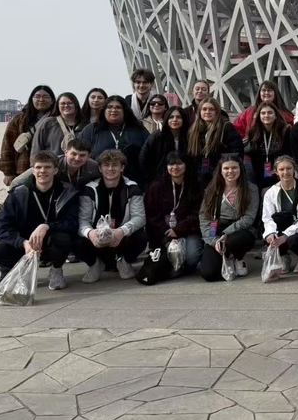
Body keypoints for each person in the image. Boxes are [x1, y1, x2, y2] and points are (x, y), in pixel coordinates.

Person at [0, 150, 88, 291]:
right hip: (25, 246)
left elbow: (72, 223)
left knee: (64, 238)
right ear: (32, 170)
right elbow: (1, 228)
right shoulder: (18, 194)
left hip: (51, 244)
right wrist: (23, 243)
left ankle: (56, 269)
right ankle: (14, 270)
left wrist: (46, 226)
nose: (42, 171)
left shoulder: (67, 192)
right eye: (38, 167)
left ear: (55, 170)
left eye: (47, 167)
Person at [77, 149, 148, 282]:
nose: (110, 168)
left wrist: (121, 231)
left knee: (141, 236)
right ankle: (95, 264)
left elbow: (140, 218)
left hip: (120, 238)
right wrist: (91, 233)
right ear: (100, 168)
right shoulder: (89, 189)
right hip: (97, 238)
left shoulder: (132, 188)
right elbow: (83, 220)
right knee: (77, 239)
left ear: (122, 168)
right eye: (106, 165)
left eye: (115, 165)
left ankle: (124, 262)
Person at [199, 156, 259, 281]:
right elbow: (204, 217)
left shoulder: (251, 189)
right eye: (226, 168)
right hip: (216, 228)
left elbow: (248, 218)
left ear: (240, 169)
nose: (230, 171)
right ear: (220, 171)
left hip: (239, 230)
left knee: (236, 240)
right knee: (209, 274)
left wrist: (226, 234)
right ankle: (223, 257)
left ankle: (236, 258)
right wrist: (213, 240)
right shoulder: (211, 189)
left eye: (234, 168)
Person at [144, 152, 204, 276]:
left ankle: (184, 266)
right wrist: (167, 234)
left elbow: (198, 213)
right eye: (171, 164)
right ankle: (175, 265)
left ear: (186, 165)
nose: (175, 167)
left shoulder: (195, 185)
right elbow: (152, 216)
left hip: (188, 231)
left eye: (179, 163)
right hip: (163, 232)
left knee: (192, 257)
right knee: (171, 256)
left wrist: (179, 229)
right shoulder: (156, 187)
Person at [78, 96, 149, 187]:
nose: (114, 110)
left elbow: (149, 155)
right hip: (98, 183)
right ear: (104, 110)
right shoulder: (92, 130)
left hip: (133, 183)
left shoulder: (138, 129)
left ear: (125, 110)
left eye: (118, 107)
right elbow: (79, 152)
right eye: (110, 107)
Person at [261, 156, 298, 272]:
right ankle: (283, 256)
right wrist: (271, 234)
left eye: (289, 168)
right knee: (270, 235)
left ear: (294, 169)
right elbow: (267, 218)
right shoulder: (271, 192)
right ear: (276, 171)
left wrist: (285, 235)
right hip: (281, 229)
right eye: (281, 169)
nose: (285, 172)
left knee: (294, 239)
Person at [0, 85, 56, 186]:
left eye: (46, 97)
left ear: (52, 100)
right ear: (31, 99)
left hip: (50, 171)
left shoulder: (57, 120)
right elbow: (7, 146)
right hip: (23, 169)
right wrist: (8, 172)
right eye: (37, 96)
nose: (41, 99)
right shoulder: (19, 120)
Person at [186, 97, 243, 185]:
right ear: (199, 111)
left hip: (221, 175)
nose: (207, 112)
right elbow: (191, 155)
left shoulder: (226, 127)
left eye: (211, 109)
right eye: (204, 109)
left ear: (217, 111)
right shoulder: (193, 130)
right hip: (199, 176)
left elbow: (236, 152)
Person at [12, 139, 100, 190]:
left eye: (82, 155)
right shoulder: (52, 163)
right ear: (65, 152)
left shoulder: (94, 167)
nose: (77, 158)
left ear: (89, 156)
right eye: (73, 154)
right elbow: (17, 182)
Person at [244, 102, 290, 201]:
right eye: (263, 113)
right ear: (259, 116)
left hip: (280, 176)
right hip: (259, 175)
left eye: (270, 113)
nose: (266, 115)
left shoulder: (285, 131)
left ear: (276, 115)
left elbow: (290, 154)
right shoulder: (254, 132)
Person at [140, 105, 190, 183]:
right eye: (171, 117)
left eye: (178, 117)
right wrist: (152, 179)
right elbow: (144, 158)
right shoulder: (157, 136)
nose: (175, 120)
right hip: (160, 181)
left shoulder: (190, 137)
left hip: (186, 180)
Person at [31, 92, 86, 158]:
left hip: (79, 164)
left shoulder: (85, 125)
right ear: (58, 106)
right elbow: (36, 147)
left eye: (70, 103)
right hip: (52, 166)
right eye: (62, 103)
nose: (66, 105)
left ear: (76, 105)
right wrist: (35, 165)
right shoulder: (48, 123)